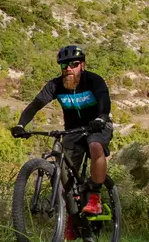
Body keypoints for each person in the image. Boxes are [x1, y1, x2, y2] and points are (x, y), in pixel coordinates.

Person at [13, 44, 113, 216]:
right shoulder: (55, 85)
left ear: (82, 65)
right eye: (64, 65)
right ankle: (70, 219)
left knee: (95, 145)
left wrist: (101, 117)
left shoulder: (93, 80)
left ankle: (95, 197)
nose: (68, 69)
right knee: (63, 175)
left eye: (73, 64)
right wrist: (21, 125)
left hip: (97, 125)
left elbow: (104, 98)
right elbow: (35, 106)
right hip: (72, 131)